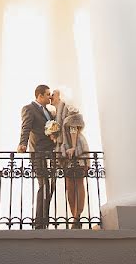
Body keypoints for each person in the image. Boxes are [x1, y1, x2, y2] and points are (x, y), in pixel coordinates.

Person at [17, 84, 56, 229]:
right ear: (39, 96)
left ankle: (44, 220)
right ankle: (39, 223)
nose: (50, 97)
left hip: (50, 153)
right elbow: (26, 127)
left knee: (50, 186)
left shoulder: (48, 111)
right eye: (47, 94)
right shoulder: (29, 108)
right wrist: (22, 144)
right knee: (43, 185)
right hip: (38, 153)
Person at [51, 89, 90, 229]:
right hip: (65, 153)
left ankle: (77, 216)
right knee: (69, 185)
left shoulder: (68, 107)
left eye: (53, 95)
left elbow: (73, 126)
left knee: (78, 182)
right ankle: (74, 216)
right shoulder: (56, 114)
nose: (50, 97)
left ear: (60, 96)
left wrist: (73, 147)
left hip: (76, 148)